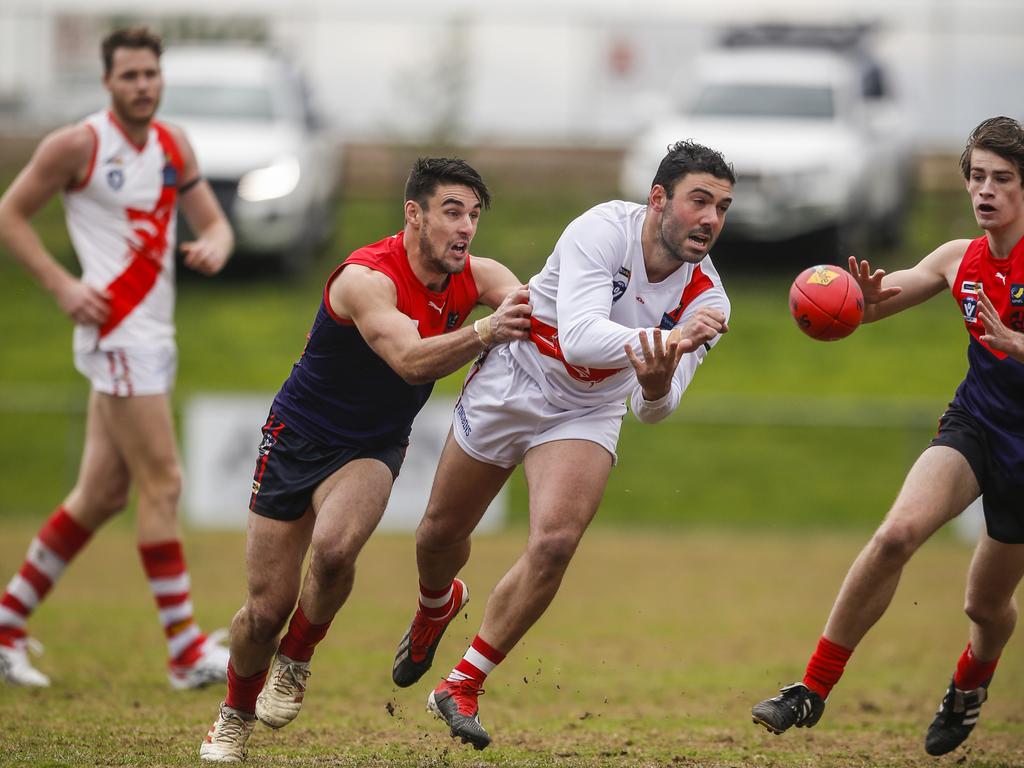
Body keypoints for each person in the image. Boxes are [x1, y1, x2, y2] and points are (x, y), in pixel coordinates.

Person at [389, 140, 733, 750]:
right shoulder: (603, 229)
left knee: (554, 545)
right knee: (438, 535)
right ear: (658, 200)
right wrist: (666, 340)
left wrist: (656, 379)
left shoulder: (708, 300)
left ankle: (462, 683)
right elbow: (576, 337)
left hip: (588, 408)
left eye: (723, 207)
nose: (710, 219)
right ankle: (435, 604)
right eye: (698, 201)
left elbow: (655, 407)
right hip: (521, 374)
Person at [197, 157, 532, 762]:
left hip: (373, 446)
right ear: (415, 213)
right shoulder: (365, 278)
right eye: (452, 211)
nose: (465, 228)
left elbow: (537, 312)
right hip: (296, 436)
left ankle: (296, 659)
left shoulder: (479, 276)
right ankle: (233, 714)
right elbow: (408, 360)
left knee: (334, 551)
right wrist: (486, 334)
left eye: (475, 215)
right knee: (263, 610)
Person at [751, 116, 1024, 757]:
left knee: (985, 609)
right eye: (977, 176)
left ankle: (971, 681)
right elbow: (868, 306)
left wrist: (1018, 344)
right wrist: (859, 297)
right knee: (895, 534)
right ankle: (811, 688)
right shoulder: (958, 260)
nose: (985, 190)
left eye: (1003, 179)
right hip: (976, 426)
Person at [0, 27, 233, 689]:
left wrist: (216, 242)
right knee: (165, 484)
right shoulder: (77, 144)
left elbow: (215, 221)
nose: (142, 86)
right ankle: (186, 653)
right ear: (108, 82)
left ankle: (5, 624)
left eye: (151, 75)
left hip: (156, 335)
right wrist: (62, 284)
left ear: (162, 78)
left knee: (101, 495)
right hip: (119, 336)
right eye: (129, 76)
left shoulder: (172, 144)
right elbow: (10, 214)